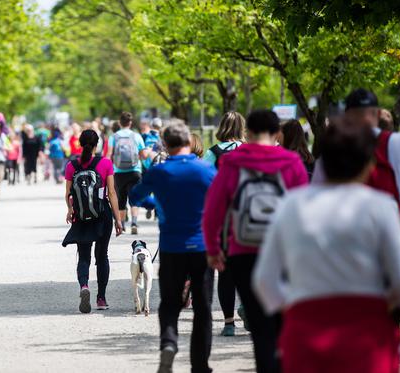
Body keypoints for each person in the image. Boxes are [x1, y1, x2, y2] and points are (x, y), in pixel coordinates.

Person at [253, 119, 400, 373]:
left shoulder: (292, 205)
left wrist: (292, 309)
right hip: (367, 335)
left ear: (323, 161)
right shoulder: (381, 207)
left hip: (305, 332)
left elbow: (264, 279)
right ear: (368, 165)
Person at [202, 109, 308, 373]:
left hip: (242, 250)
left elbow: (214, 208)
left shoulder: (232, 162)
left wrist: (214, 249)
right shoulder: (291, 162)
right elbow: (305, 211)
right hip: (283, 253)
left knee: (260, 327)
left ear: (248, 132)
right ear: (276, 134)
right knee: (282, 321)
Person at [130, 121, 217, 373]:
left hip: (171, 248)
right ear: (189, 142)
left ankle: (169, 343)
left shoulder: (160, 172)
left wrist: (154, 204)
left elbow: (135, 196)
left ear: (166, 145)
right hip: (201, 247)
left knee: (169, 303)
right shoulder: (206, 170)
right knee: (203, 308)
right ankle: (200, 366)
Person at [313, 88, 400, 227]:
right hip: (392, 229)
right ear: (378, 113)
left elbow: (317, 195)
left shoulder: (333, 148)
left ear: (346, 116)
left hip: (344, 234)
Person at [62, 129, 123, 313]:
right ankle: (101, 298)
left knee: (84, 255)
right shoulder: (105, 163)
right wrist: (118, 219)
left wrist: (70, 209)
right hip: (102, 213)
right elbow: (111, 193)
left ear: (80, 143)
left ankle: (84, 287)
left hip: (81, 216)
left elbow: (68, 194)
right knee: (102, 256)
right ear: (98, 144)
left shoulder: (71, 165)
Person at [203, 110, 246, 337]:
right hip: (250, 217)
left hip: (223, 219)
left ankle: (229, 323)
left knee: (225, 271)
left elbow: (203, 183)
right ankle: (248, 308)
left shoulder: (213, 153)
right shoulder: (251, 151)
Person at [107, 111, 150, 235]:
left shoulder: (113, 137)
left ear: (120, 122)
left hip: (119, 171)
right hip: (135, 170)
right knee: (134, 197)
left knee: (121, 198)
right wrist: (147, 151)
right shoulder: (136, 136)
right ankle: (134, 223)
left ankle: (122, 225)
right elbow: (143, 156)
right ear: (130, 123)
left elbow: (108, 155)